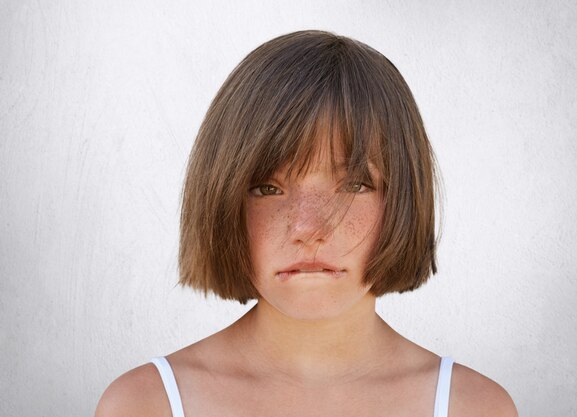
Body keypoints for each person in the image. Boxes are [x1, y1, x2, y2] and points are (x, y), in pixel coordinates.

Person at [95, 30, 518, 417]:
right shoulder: (145, 405)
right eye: (267, 188)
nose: (308, 227)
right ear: (220, 201)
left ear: (403, 199)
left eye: (354, 184)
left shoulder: (475, 407)